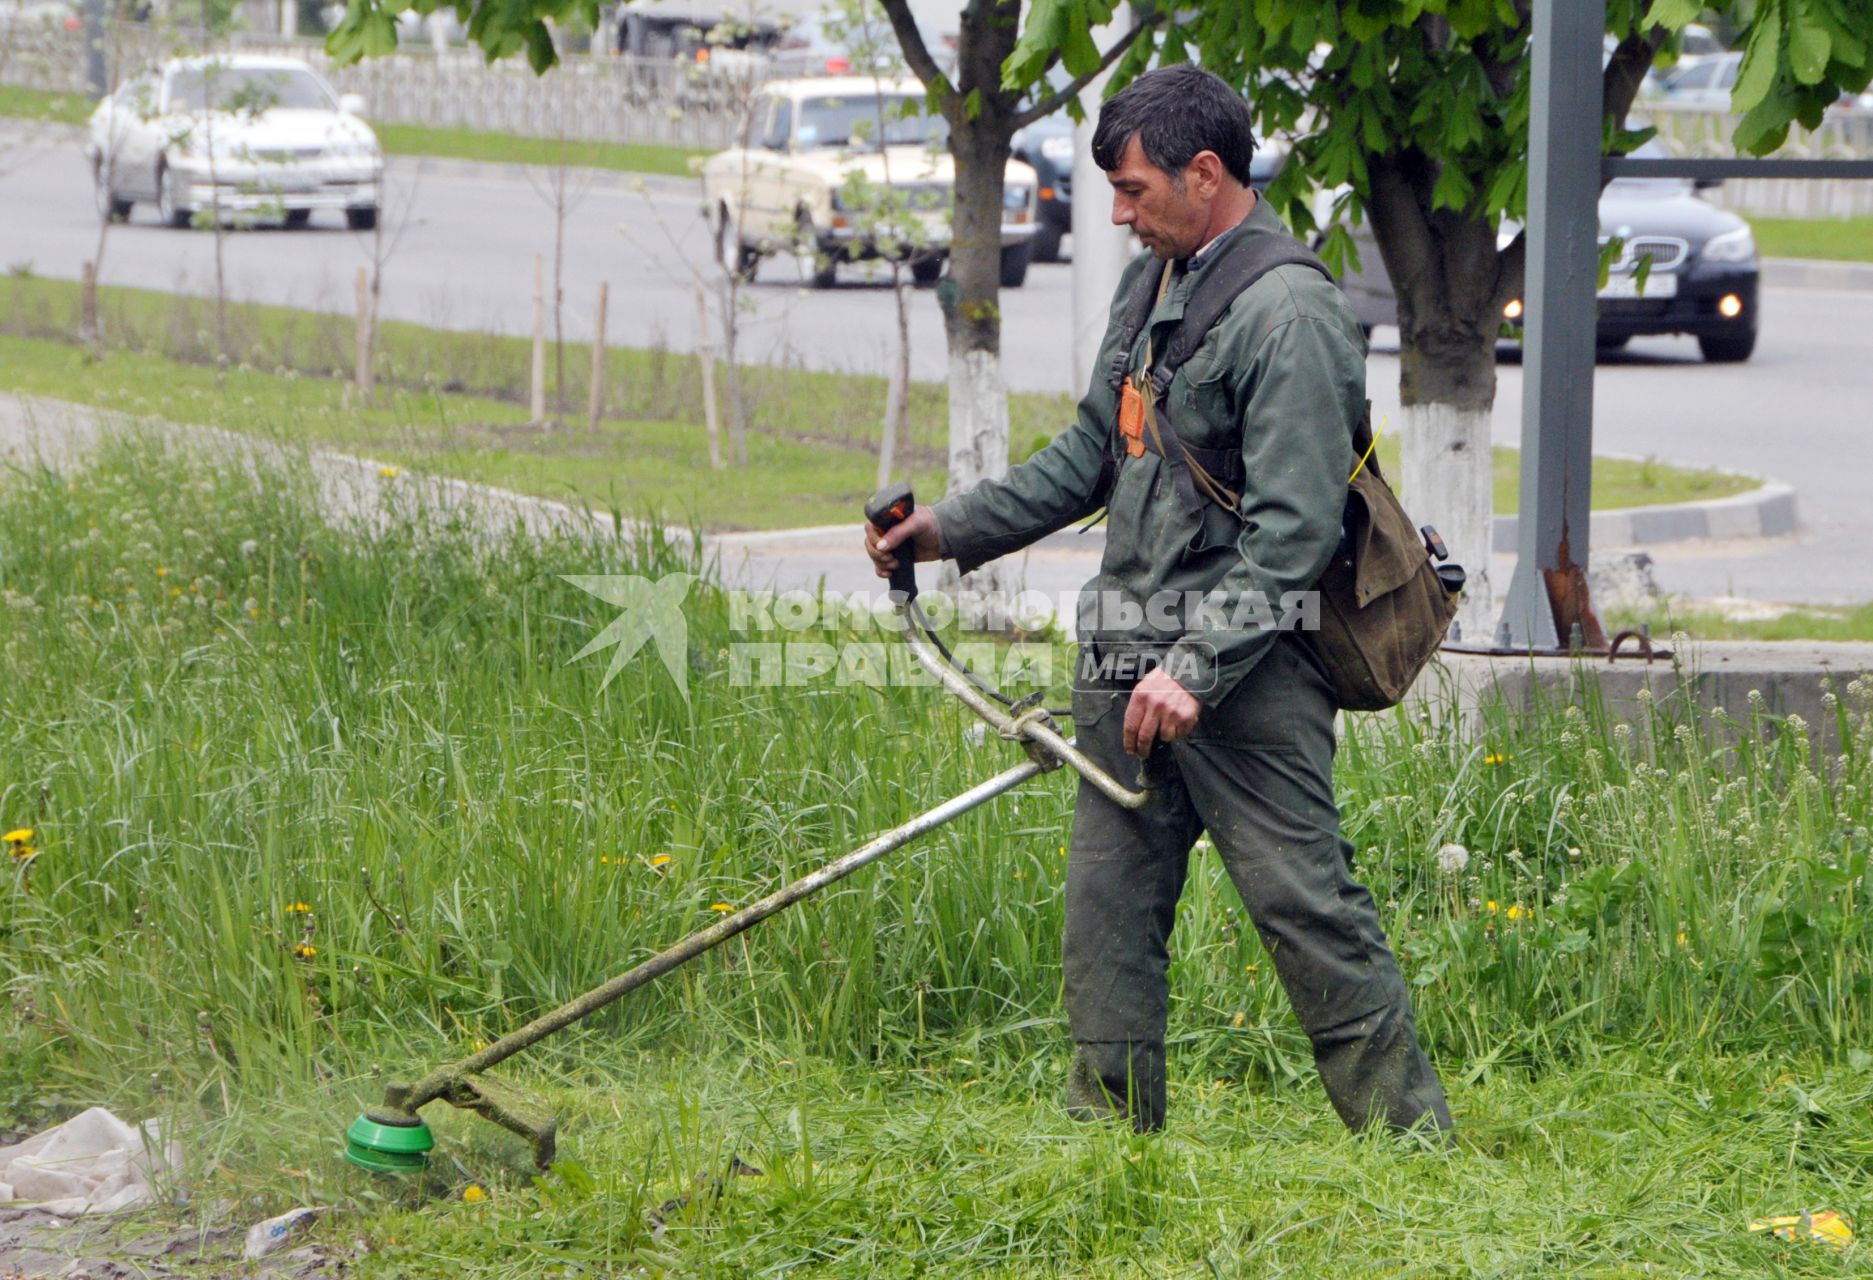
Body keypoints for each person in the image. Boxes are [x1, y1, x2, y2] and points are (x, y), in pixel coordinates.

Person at [863, 64, 1452, 1138]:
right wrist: (948, 530)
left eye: (1134, 192)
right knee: (1107, 924)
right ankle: (1109, 1153)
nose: (1121, 215)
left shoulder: (1292, 314)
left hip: (1247, 678)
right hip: (1124, 664)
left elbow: (1293, 530)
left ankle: (1413, 1145)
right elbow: (1095, 450)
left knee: (1305, 908)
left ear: (1206, 172)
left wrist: (1195, 666)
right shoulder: (1153, 287)